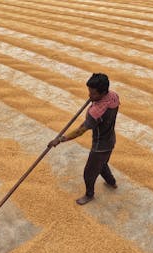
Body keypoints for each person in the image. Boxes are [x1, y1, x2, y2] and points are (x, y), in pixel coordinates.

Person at [48, 73, 119, 205]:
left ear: (103, 92)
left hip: (100, 146)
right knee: (102, 164)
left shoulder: (96, 112)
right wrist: (95, 100)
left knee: (89, 173)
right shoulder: (114, 96)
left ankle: (89, 195)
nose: (89, 96)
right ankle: (112, 182)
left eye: (93, 94)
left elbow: (80, 130)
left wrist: (60, 139)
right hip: (111, 140)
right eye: (89, 92)